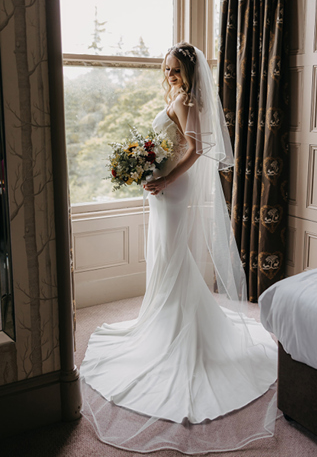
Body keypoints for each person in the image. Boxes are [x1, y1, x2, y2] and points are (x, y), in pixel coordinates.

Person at [80, 43, 279, 453]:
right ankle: (164, 318)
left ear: (188, 72)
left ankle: (177, 332)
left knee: (171, 256)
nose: (170, 75)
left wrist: (166, 180)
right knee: (168, 256)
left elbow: (196, 149)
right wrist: (145, 165)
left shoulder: (186, 100)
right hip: (165, 182)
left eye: (176, 69)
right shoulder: (174, 97)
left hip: (174, 186)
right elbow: (169, 146)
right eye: (166, 69)